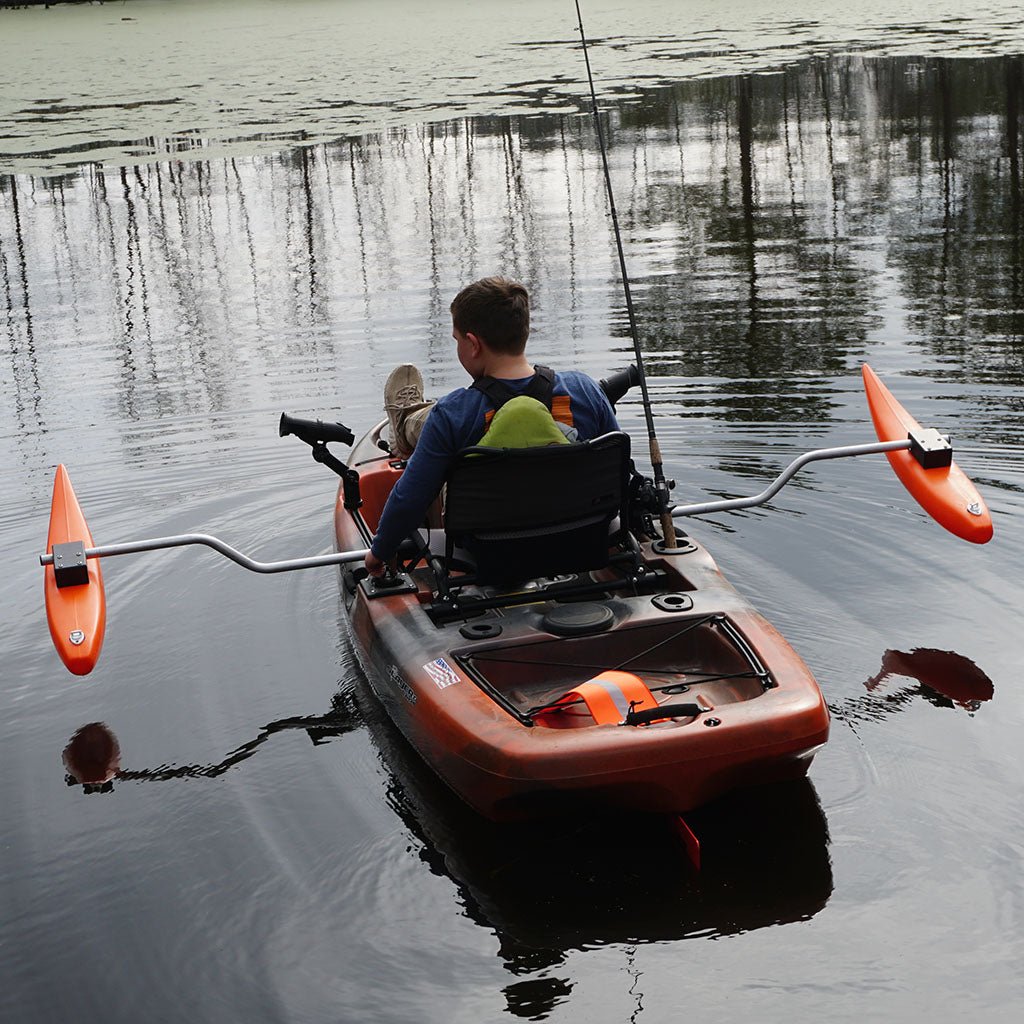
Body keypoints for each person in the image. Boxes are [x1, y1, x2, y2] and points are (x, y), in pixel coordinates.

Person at [365, 276, 619, 577]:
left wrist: (378, 554)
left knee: (448, 469)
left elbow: (409, 499)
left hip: (489, 552)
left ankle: (407, 421)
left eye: (457, 340)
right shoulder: (586, 390)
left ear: (472, 344)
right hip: (581, 541)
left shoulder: (452, 413)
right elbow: (618, 471)